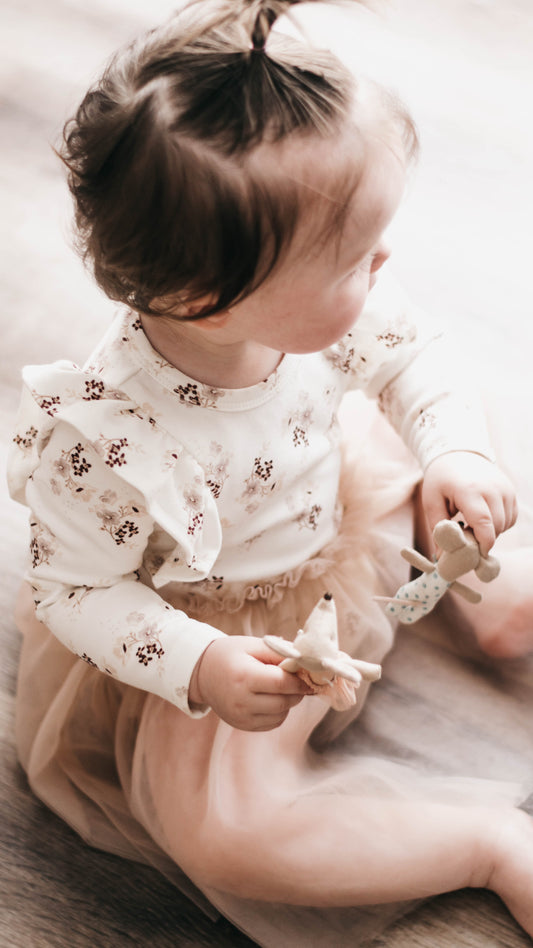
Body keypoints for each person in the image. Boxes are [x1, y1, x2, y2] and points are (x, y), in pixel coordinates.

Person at [8, 1, 533, 944]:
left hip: (340, 508)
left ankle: (476, 582)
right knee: (227, 837)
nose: (383, 263)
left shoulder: (320, 305)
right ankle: (489, 846)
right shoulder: (105, 443)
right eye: (352, 260)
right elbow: (76, 590)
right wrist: (199, 664)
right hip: (227, 622)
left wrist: (453, 450)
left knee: (432, 424)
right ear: (210, 303)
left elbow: (412, 356)